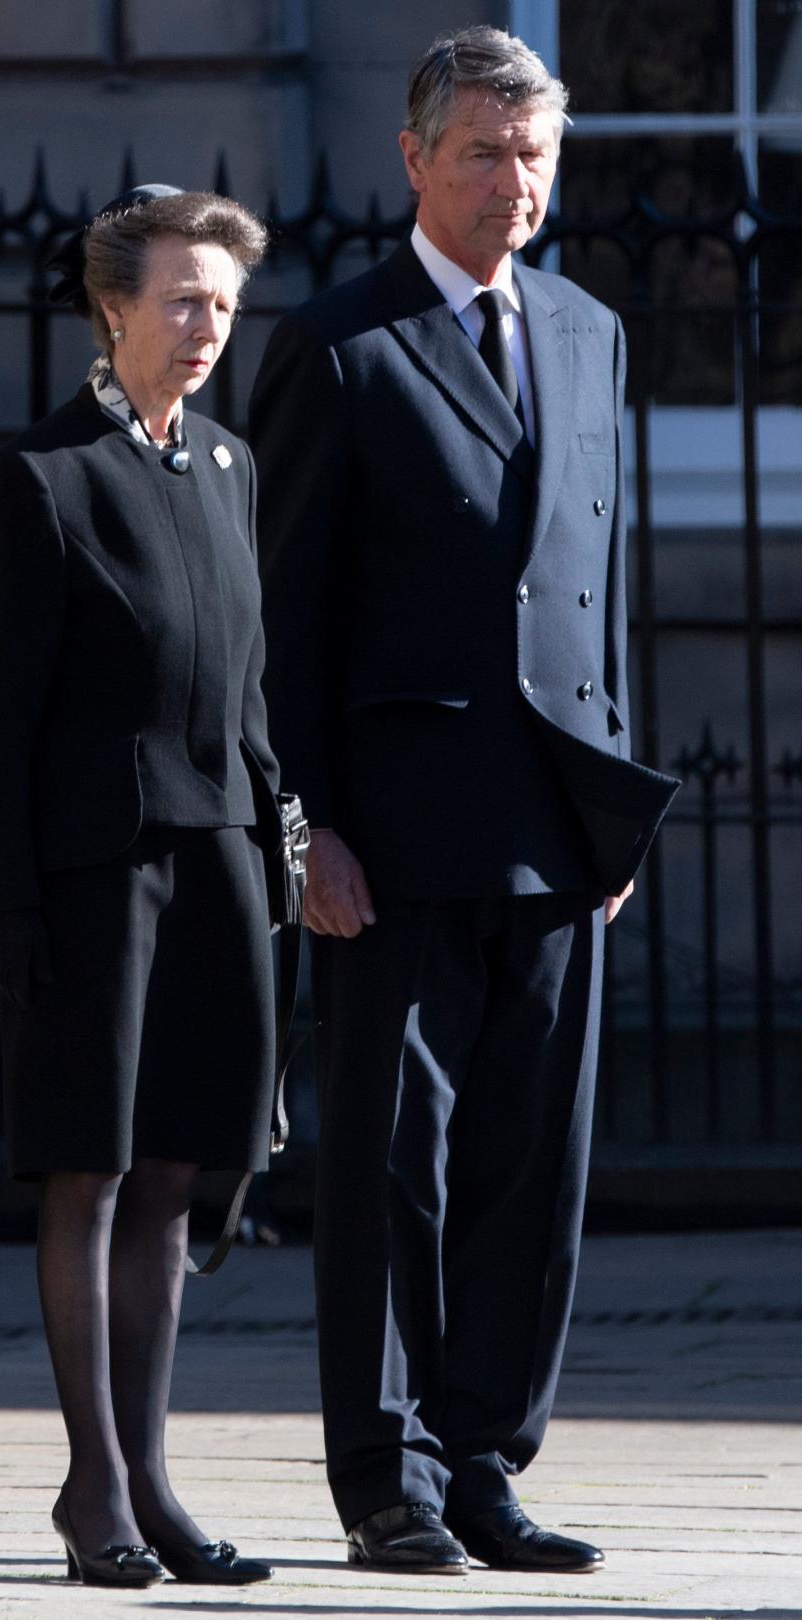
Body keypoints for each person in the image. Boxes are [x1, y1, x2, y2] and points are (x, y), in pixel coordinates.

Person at [249, 26, 678, 1578]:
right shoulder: (342, 346)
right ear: (418, 160)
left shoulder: (586, 329)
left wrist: (611, 807)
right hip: (394, 837)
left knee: (526, 1162)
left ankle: (489, 1453)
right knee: (391, 1163)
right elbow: (278, 629)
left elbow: (600, 588)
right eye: (488, 153)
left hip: (559, 832)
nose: (518, 183)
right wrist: (305, 833)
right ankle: (388, 1473)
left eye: (538, 156)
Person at [0, 185, 279, 1589]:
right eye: (181, 302)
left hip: (215, 863)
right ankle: (93, 1489)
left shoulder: (226, 464)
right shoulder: (42, 477)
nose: (206, 326)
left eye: (222, 302)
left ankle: (152, 1478)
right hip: (91, 877)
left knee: (176, 1179)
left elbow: (251, 691)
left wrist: (282, 846)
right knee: (86, 1176)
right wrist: (9, 904)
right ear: (113, 309)